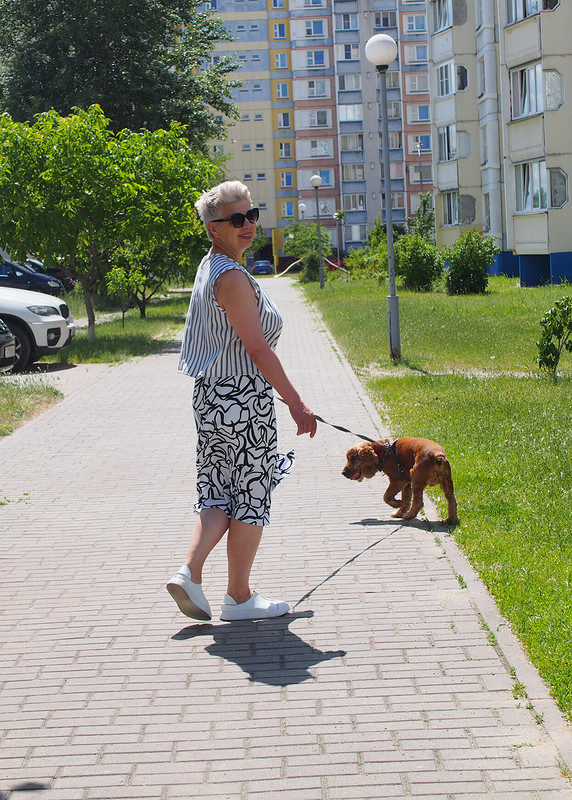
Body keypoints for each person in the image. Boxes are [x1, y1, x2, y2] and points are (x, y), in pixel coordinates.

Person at [167, 180, 317, 622]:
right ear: (215, 227)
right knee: (252, 494)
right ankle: (239, 597)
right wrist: (296, 402)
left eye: (252, 214)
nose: (249, 224)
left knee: (218, 493)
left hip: (212, 397)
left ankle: (188, 572)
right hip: (242, 399)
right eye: (237, 219)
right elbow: (258, 348)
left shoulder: (214, 265)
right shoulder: (230, 276)